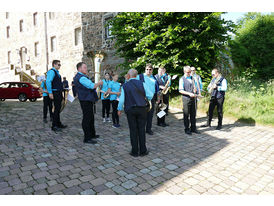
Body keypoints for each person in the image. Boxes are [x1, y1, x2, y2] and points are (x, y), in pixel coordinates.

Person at [118, 69, 153, 157]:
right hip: (142, 109)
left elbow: (122, 100)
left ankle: (134, 151)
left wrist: (119, 109)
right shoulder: (142, 83)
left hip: (130, 109)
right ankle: (143, 150)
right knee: (141, 129)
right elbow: (150, 95)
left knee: (133, 130)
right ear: (136, 75)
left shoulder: (125, 86)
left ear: (128, 75)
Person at [73, 62, 103, 144]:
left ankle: (92, 134)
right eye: (85, 67)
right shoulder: (81, 78)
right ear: (79, 69)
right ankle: (87, 138)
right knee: (87, 118)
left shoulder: (82, 77)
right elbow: (91, 86)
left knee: (91, 117)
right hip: (85, 100)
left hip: (87, 99)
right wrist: (99, 83)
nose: (86, 69)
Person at [137, 64, 159, 135]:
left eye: (150, 69)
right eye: (147, 69)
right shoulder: (140, 77)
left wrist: (157, 98)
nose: (148, 71)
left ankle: (148, 129)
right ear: (145, 70)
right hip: (142, 98)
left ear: (152, 70)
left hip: (151, 99)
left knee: (150, 115)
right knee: (142, 115)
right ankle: (141, 129)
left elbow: (156, 89)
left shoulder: (154, 78)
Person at [46, 60, 67, 132]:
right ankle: (54, 125)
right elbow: (48, 81)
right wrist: (50, 93)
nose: (59, 66)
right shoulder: (52, 72)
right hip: (55, 92)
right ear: (54, 64)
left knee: (58, 108)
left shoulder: (57, 72)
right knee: (56, 109)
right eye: (58, 64)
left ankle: (58, 123)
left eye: (60, 64)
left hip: (58, 92)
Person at [179, 66, 200, 135]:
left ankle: (193, 128)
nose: (190, 73)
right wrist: (189, 93)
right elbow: (181, 90)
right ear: (184, 72)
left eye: (190, 72)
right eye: (188, 72)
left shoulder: (193, 78)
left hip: (193, 99)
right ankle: (187, 129)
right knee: (186, 114)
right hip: (186, 99)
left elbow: (195, 87)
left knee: (193, 114)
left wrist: (195, 90)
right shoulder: (182, 79)